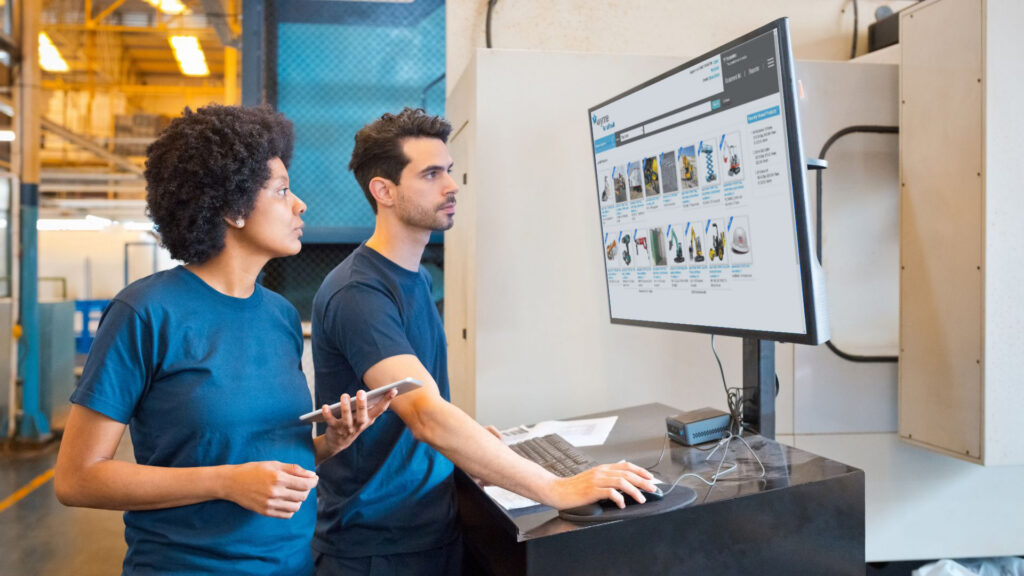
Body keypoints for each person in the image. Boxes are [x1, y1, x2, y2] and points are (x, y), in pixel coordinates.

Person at [311, 107, 657, 575]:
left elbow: (424, 405)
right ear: (383, 190)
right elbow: (425, 414)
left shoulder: (410, 277)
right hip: (380, 547)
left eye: (449, 172)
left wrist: (474, 444)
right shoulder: (360, 292)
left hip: (428, 524)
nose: (451, 186)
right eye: (431, 174)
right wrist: (558, 486)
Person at [54, 104, 394, 576]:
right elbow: (78, 479)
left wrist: (329, 444)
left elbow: (259, 465)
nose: (300, 204)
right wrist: (226, 482)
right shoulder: (146, 312)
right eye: (281, 191)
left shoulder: (279, 316)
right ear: (233, 209)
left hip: (291, 565)